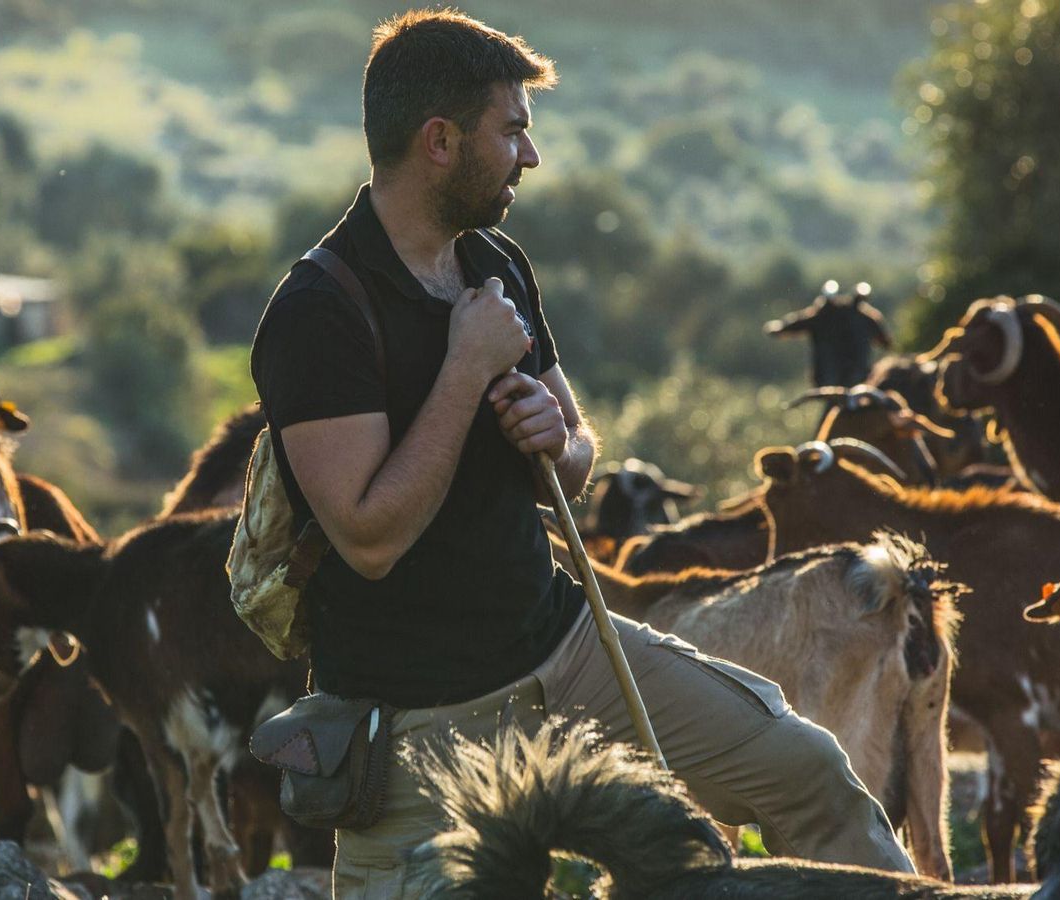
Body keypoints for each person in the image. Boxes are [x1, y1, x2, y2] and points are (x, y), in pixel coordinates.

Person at [248, 9, 916, 897]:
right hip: (417, 725)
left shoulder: (496, 263)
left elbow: (575, 460)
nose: (530, 156)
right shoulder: (318, 312)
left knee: (810, 774)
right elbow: (368, 540)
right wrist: (465, 371)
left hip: (569, 651)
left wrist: (555, 439)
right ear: (439, 141)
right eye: (511, 131)